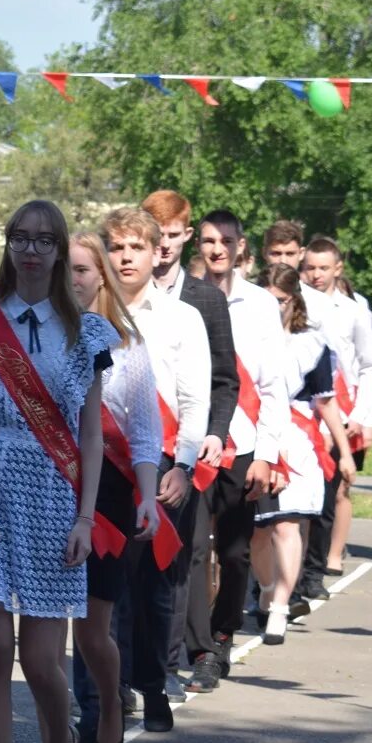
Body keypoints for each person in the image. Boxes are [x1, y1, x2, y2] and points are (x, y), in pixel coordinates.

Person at [0, 199, 115, 743]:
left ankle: (63, 735)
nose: (31, 250)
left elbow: (91, 436)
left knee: (40, 660)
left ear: (58, 251)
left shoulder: (87, 333)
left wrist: (86, 517)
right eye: (21, 238)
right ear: (8, 247)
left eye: (44, 240)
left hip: (55, 496)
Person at [102, 205, 209, 732]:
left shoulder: (181, 317)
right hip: (98, 462)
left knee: (151, 584)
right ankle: (108, 689)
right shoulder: (87, 311)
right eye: (116, 247)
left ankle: (151, 681)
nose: (125, 257)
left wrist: (183, 467)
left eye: (136, 247)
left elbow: (194, 401)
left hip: (159, 461)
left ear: (155, 253)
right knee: (103, 586)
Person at [139, 191, 237, 704]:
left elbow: (225, 379)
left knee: (186, 554)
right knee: (134, 555)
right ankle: (134, 660)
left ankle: (174, 657)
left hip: (189, 446)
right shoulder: (118, 291)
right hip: (131, 446)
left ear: (185, 234)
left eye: (175, 236)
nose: (165, 247)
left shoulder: (205, 299)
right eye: (157, 236)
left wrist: (214, 432)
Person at [66, 232, 162, 743]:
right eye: (67, 269)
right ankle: (73, 722)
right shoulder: (39, 338)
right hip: (54, 483)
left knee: (92, 624)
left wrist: (147, 496)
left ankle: (107, 699)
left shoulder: (128, 344)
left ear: (102, 275)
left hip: (111, 492)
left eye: (82, 270)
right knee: (49, 619)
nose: (73, 280)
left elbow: (145, 431)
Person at [184, 211, 289, 692]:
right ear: (198, 244)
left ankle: (224, 632)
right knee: (192, 548)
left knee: (234, 552)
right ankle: (199, 647)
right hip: (194, 439)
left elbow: (273, 385)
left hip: (243, 444)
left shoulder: (262, 303)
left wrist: (267, 453)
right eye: (208, 240)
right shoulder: (184, 296)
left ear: (240, 245)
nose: (217, 249)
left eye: (225, 240)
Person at [255, 264, 354, 645]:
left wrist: (343, 451)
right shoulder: (246, 335)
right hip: (256, 429)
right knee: (257, 533)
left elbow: (325, 403)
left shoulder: (312, 342)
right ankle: (266, 588)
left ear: (293, 300)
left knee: (286, 523)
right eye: (268, 300)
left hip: (296, 435)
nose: (274, 307)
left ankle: (280, 606)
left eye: (281, 301)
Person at [300, 236, 372, 582]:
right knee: (308, 487)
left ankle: (330, 555)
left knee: (338, 487)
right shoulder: (294, 302)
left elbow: (369, 365)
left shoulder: (354, 311)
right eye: (310, 268)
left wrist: (364, 417)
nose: (316, 275)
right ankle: (307, 562)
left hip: (343, 407)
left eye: (323, 268)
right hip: (306, 406)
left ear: (338, 269)